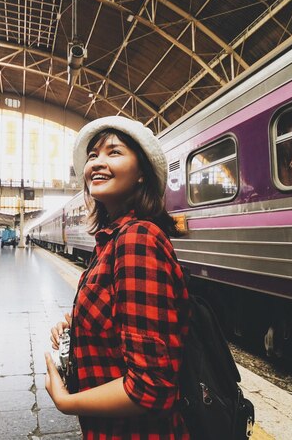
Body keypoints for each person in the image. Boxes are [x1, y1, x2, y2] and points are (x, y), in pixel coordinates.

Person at [44, 116, 190, 439]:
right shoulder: (112, 241)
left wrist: (67, 402)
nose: (97, 162)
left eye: (114, 152)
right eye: (93, 155)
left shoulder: (137, 240)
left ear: (142, 174)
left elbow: (151, 387)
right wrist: (77, 325)